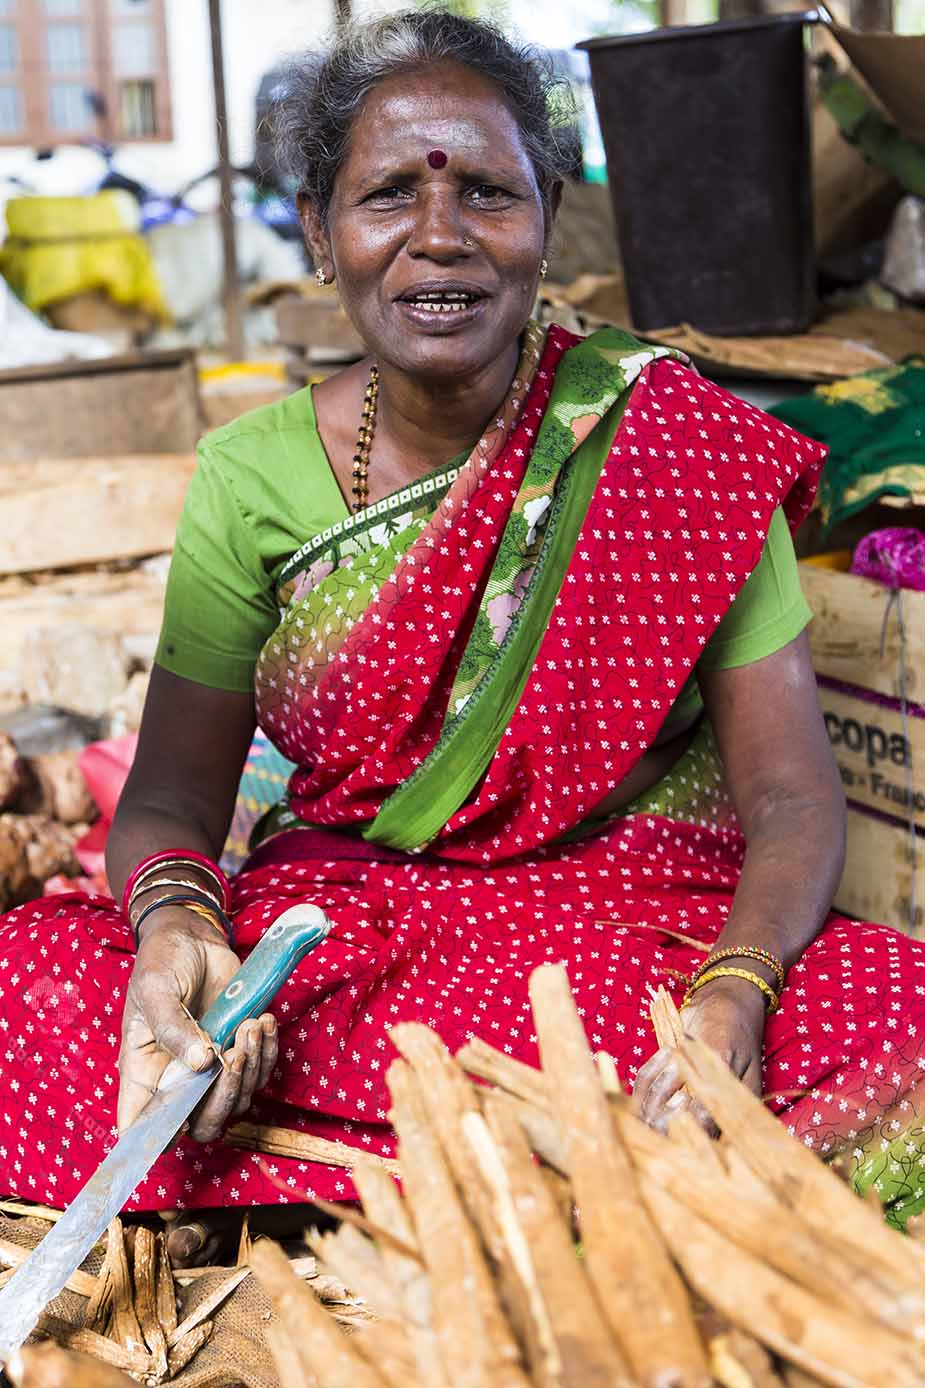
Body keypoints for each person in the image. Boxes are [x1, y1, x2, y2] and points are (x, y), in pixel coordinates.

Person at [2, 9, 925, 1264]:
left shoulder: (671, 441)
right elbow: (166, 795)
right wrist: (177, 931)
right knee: (38, 987)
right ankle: (592, 1193)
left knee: (897, 1014)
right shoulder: (249, 475)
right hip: (346, 942)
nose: (440, 236)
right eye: (387, 193)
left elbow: (792, 795)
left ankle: (351, 1198)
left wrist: (732, 996)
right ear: (321, 235)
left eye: (487, 190)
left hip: (630, 935)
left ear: (546, 215)